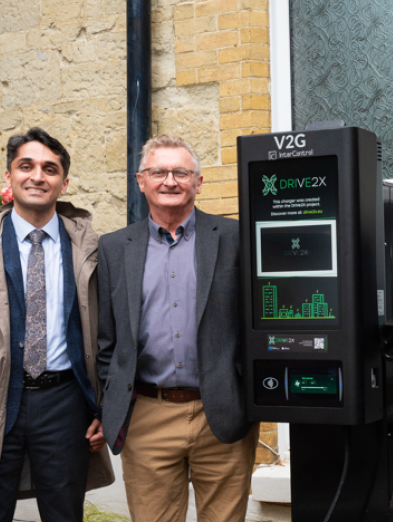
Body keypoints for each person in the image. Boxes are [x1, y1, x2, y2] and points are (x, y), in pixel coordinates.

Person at [0, 127, 114, 520]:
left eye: (50, 169)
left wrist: (106, 408)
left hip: (66, 403)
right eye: (26, 166)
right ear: (9, 176)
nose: (37, 176)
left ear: (64, 183)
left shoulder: (90, 248)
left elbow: (109, 337)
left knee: (65, 514)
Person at [96, 135, 257, 522]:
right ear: (141, 181)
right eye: (159, 172)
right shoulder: (114, 248)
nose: (170, 181)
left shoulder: (236, 238)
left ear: (198, 182)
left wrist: (245, 394)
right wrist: (112, 401)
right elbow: (107, 339)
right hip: (148, 416)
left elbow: (256, 324)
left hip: (222, 413)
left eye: (181, 173)